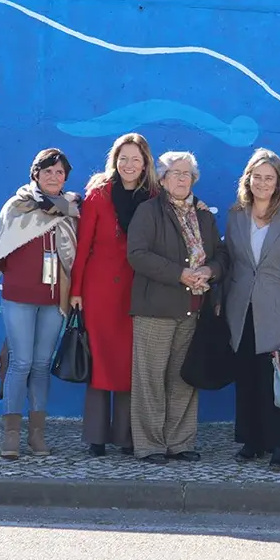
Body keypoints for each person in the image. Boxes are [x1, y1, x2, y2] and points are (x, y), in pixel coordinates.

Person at [126, 151, 224, 464]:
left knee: (184, 378)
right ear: (163, 179)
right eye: (175, 173)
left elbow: (221, 255)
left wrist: (209, 271)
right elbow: (137, 254)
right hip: (156, 307)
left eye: (187, 174)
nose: (181, 179)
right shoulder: (149, 211)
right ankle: (150, 445)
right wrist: (180, 274)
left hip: (193, 309)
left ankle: (179, 443)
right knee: (150, 379)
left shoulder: (205, 215)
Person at [0, 148, 80, 459]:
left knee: (41, 364)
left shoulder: (70, 210)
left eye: (59, 172)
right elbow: (0, 247)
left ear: (65, 176)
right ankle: (11, 435)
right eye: (48, 171)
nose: (54, 177)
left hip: (54, 299)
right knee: (21, 362)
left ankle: (37, 435)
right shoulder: (17, 206)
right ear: (35, 175)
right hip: (19, 297)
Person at [72, 133, 158, 458]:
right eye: (124, 158)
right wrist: (76, 290)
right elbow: (83, 247)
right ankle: (95, 436)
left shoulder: (154, 196)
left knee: (128, 364)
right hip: (99, 290)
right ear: (115, 160)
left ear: (145, 162)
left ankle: (125, 435)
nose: (129, 165)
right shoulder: (98, 195)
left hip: (136, 290)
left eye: (136, 159)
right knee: (99, 362)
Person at [226, 149, 280, 472]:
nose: (262, 183)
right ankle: (252, 441)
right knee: (247, 376)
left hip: (277, 307)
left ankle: (279, 445)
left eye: (269, 178)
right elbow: (232, 259)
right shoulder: (236, 214)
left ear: (279, 183)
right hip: (241, 308)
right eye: (257, 177)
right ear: (248, 179)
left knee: (276, 381)